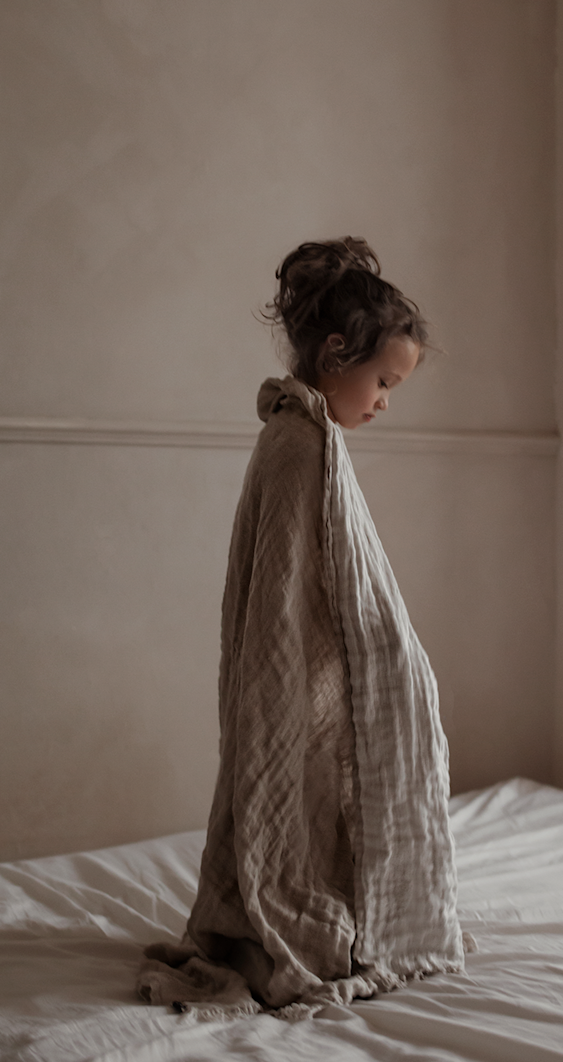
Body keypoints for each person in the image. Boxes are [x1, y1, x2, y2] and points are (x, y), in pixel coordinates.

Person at [138, 237, 465, 1020]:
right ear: (335, 351)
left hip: (324, 669)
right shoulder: (298, 443)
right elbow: (280, 586)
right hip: (303, 671)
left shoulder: (310, 434)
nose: (384, 399)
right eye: (382, 380)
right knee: (299, 798)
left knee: (325, 804)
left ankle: (338, 914)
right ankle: (291, 925)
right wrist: (299, 680)